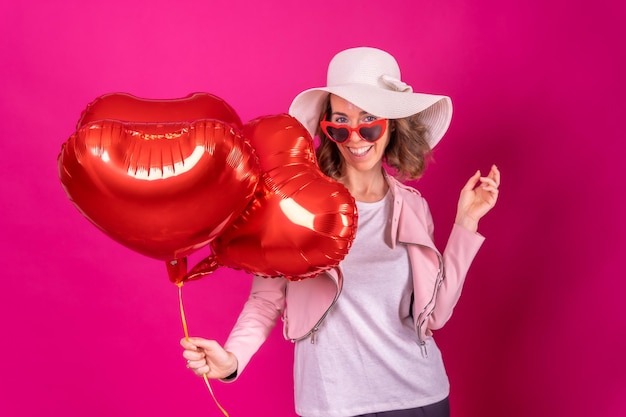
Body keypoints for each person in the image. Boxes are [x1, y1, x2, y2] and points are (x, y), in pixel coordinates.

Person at [181, 46, 500, 417]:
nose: (355, 137)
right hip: (332, 403)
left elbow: (435, 315)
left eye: (369, 122)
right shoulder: (295, 207)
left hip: (419, 398)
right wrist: (232, 359)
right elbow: (265, 300)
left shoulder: (413, 207)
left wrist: (466, 224)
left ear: (392, 124)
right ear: (326, 129)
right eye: (340, 123)